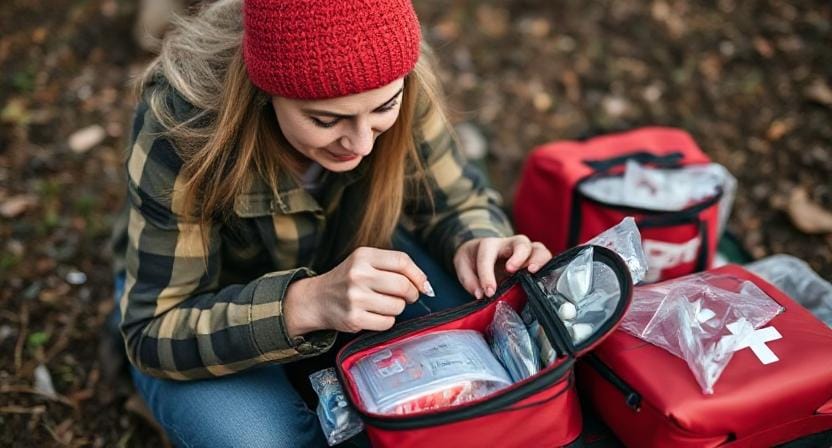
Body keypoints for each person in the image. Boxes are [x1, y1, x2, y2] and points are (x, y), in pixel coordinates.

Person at [110, 0, 553, 446]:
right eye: (325, 119)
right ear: (264, 91)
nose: (360, 143)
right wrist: (304, 304)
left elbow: (454, 202)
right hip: (209, 311)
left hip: (350, 278)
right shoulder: (184, 126)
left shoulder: (396, 74)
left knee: (486, 352)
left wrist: (477, 242)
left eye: (384, 109)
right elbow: (153, 330)